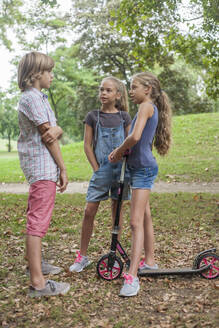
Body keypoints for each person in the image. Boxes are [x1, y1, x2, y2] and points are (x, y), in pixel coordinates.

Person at [109, 72, 172, 297]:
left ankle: (132, 276)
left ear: (147, 89)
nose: (131, 90)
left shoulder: (146, 106)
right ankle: (150, 261)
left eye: (135, 86)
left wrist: (118, 151)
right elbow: (140, 141)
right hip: (139, 167)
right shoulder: (145, 107)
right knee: (144, 217)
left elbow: (135, 137)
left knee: (135, 223)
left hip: (143, 170)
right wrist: (127, 153)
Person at [17, 51, 70, 297]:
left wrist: (57, 128)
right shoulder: (33, 99)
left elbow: (53, 130)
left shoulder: (38, 97)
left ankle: (35, 264)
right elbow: (49, 137)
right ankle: (38, 282)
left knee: (35, 217)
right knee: (38, 221)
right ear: (37, 73)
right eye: (49, 71)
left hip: (39, 166)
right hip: (43, 167)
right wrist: (63, 167)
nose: (52, 75)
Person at [69, 76, 132, 272]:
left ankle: (113, 255)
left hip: (121, 171)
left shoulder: (125, 117)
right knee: (89, 211)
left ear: (118, 95)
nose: (103, 93)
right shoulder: (93, 116)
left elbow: (130, 144)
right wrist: (97, 168)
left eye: (108, 90)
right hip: (102, 170)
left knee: (116, 214)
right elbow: (87, 145)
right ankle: (83, 256)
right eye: (101, 90)